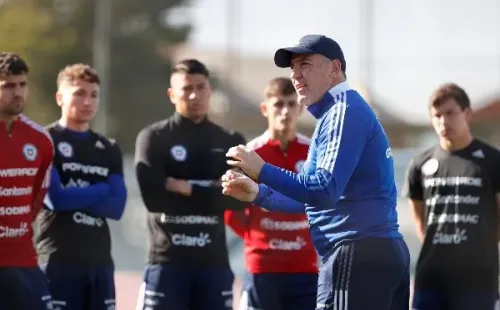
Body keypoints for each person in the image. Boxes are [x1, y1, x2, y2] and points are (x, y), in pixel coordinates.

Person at [221, 34, 411, 310]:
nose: (296, 75)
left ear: (334, 68)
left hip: (356, 254)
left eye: (305, 64)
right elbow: (312, 199)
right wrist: (258, 194)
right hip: (372, 253)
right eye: (294, 68)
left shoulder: (343, 112)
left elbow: (322, 190)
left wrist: (261, 169)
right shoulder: (339, 112)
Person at [134, 59, 247, 310]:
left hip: (213, 266)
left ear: (210, 90)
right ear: (172, 94)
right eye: (186, 88)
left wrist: (185, 187)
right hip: (167, 263)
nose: (194, 95)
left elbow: (238, 200)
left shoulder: (230, 140)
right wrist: (213, 189)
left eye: (201, 87)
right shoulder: (154, 137)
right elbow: (154, 200)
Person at [35, 63, 127, 310]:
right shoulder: (45, 140)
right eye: (79, 93)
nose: (87, 101)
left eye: (93, 95)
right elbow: (56, 199)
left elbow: (117, 207)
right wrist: (101, 189)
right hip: (58, 261)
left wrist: (76, 192)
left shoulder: (108, 148)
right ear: (60, 97)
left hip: (99, 264)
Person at [402, 83, 500, 310]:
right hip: (431, 277)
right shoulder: (420, 164)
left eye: (450, 113)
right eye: (437, 115)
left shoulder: (493, 161)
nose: (443, 121)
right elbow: (420, 220)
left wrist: (476, 247)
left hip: (477, 280)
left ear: (467, 113)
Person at [224, 77, 318, 310]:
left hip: (305, 267)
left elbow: (323, 199)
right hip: (263, 268)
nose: (285, 111)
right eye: (278, 104)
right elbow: (231, 211)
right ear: (265, 109)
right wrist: (259, 239)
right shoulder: (249, 155)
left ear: (301, 108)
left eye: (291, 103)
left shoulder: (313, 152)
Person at [0, 52, 54, 309]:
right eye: (8, 86)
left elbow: (36, 199)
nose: (18, 92)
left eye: (22, 84)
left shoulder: (41, 140)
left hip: (24, 261)